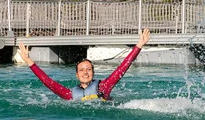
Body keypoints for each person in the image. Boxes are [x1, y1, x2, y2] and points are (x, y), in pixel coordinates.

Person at [18, 28, 150, 101]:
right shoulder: (69, 95)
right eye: (81, 70)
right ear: (77, 75)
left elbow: (123, 67)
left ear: (93, 73)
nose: (85, 72)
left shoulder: (103, 87)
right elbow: (48, 82)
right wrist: (29, 61)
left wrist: (139, 45)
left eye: (88, 69)